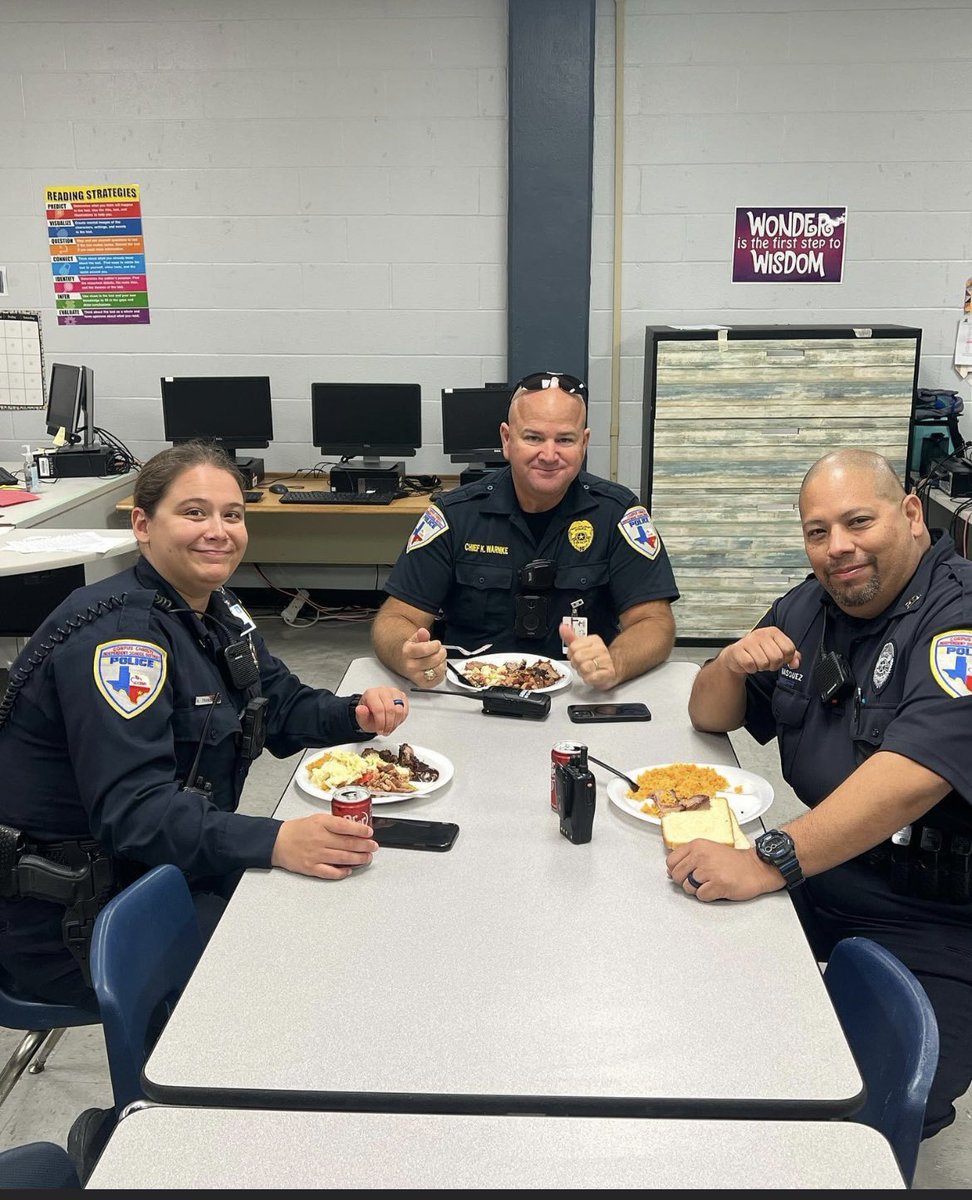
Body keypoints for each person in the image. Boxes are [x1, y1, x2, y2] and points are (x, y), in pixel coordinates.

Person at [0, 441, 410, 1011]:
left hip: (160, 870)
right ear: (142, 525)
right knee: (305, 960)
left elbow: (279, 703)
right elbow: (136, 813)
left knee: (350, 909)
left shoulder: (210, 608)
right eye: (194, 513)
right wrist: (275, 840)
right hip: (84, 921)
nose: (218, 530)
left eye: (232, 514)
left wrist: (354, 714)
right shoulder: (123, 643)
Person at [673, 448, 972, 1139]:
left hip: (941, 915)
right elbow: (710, 714)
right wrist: (726, 660)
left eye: (858, 521)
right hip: (833, 871)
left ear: (910, 515)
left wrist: (767, 859)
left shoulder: (959, 621)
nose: (838, 547)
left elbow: (912, 776)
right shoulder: (810, 604)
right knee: (680, 994)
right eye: (817, 532)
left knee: (863, 1114)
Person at [372, 371, 679, 689]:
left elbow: (654, 623)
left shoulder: (618, 513)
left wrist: (616, 663)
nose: (549, 455)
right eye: (533, 438)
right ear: (507, 440)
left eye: (565, 439)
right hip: (473, 693)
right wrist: (407, 653)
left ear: (584, 443)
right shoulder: (455, 515)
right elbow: (396, 618)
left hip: (581, 692)